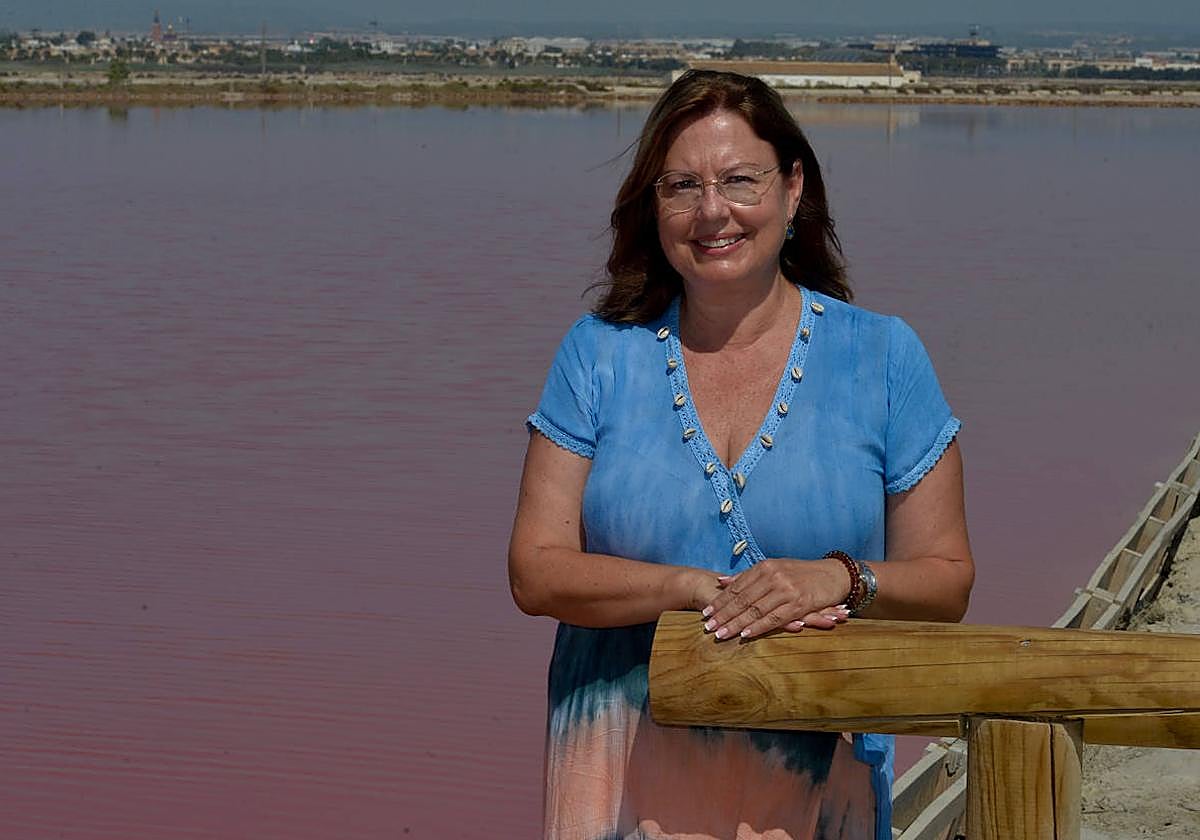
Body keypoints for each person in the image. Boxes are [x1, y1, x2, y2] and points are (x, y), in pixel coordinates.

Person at [508, 69, 973, 840]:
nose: (712, 211)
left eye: (738, 180)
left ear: (793, 190)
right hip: (617, 787)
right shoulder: (597, 356)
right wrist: (689, 588)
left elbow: (947, 583)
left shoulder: (884, 357)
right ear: (652, 207)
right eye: (682, 185)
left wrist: (840, 576)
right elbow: (535, 570)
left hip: (818, 784)